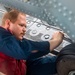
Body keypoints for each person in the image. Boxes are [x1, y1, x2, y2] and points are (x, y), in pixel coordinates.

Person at [0, 9, 64, 75]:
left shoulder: (14, 44)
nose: (24, 30)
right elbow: (24, 50)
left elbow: (31, 63)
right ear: (8, 23)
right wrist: (56, 41)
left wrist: (62, 60)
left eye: (25, 27)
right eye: (21, 25)